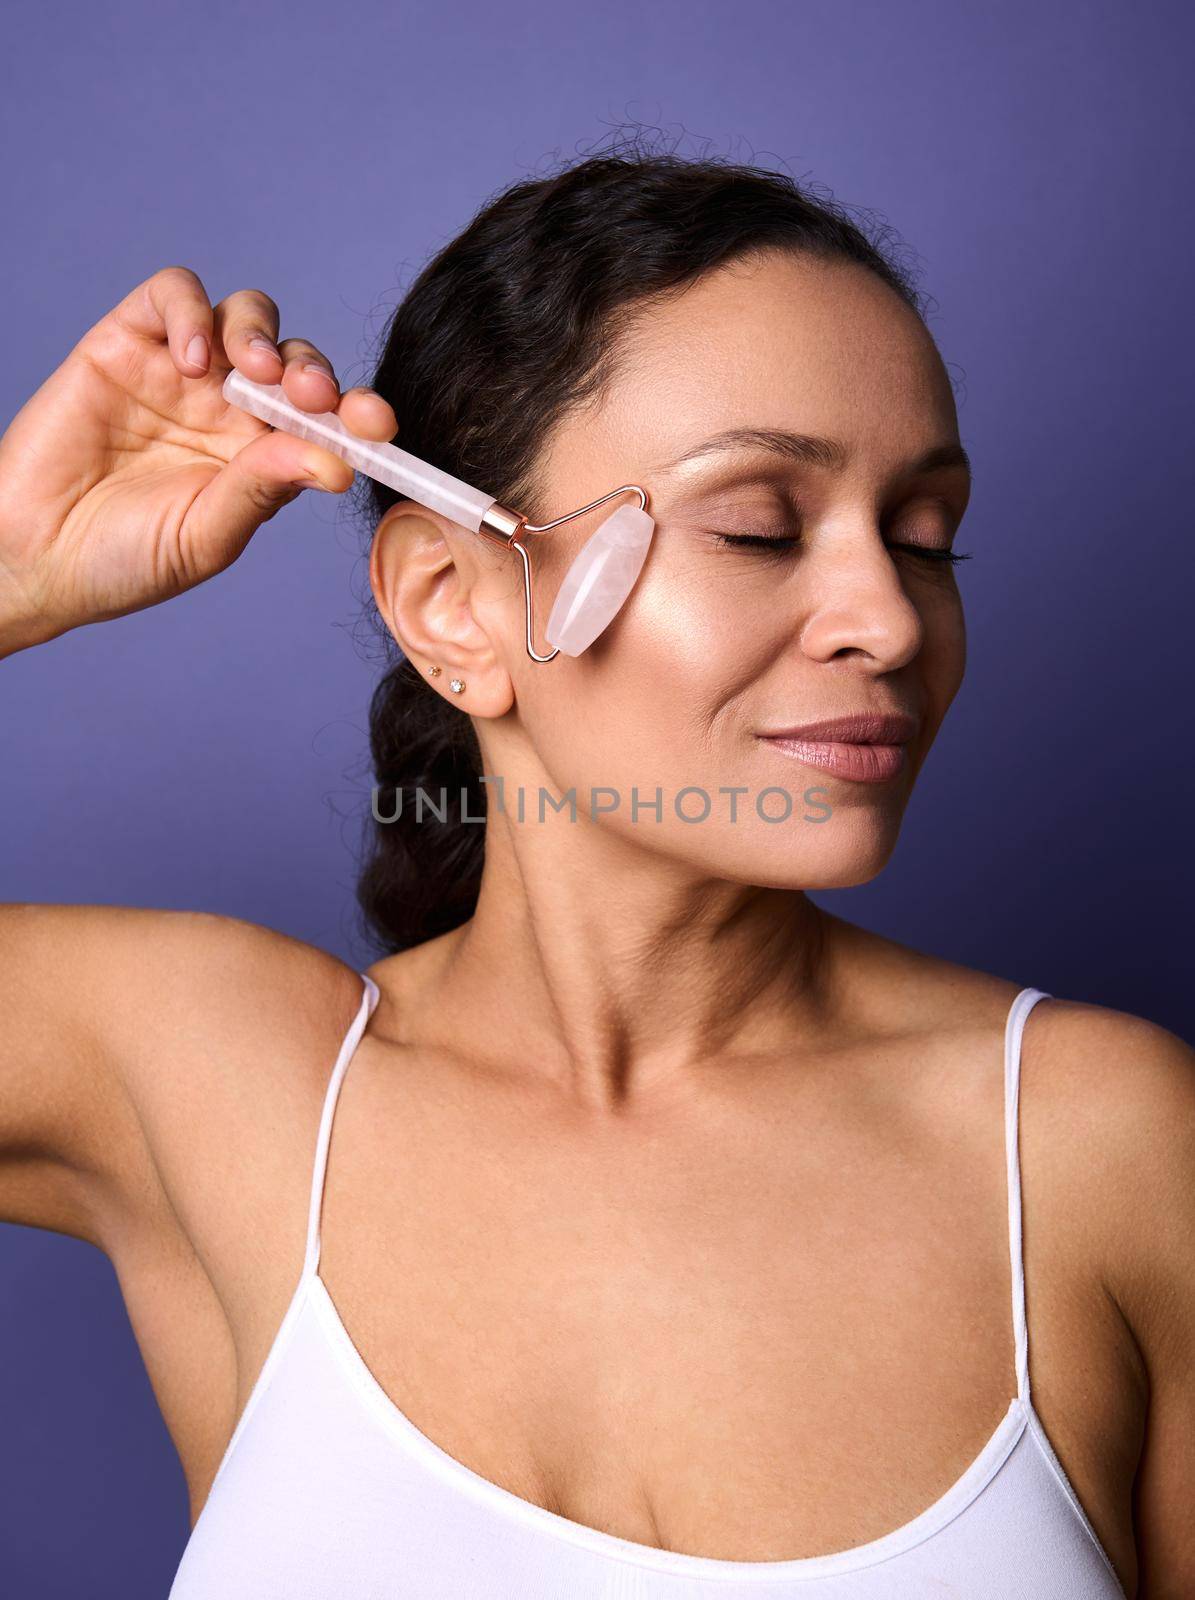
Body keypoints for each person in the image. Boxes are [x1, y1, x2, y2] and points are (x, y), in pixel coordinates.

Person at [0, 150, 1190, 1599]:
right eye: (758, 525)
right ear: (455, 606)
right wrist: (11, 569)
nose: (887, 617)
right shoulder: (227, 1086)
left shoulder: (1102, 1146)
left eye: (925, 536)